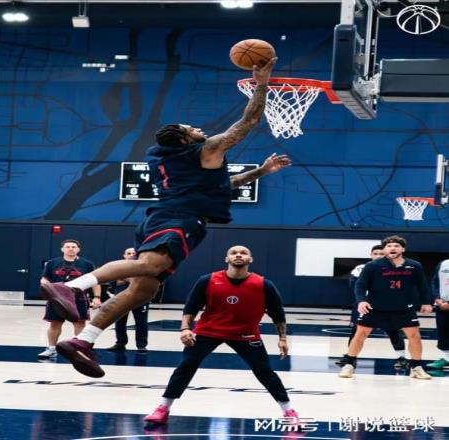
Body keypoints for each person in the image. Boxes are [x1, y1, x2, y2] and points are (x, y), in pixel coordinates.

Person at [39, 57, 292, 378]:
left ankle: (83, 341)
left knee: (143, 290)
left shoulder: (175, 159)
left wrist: (261, 171)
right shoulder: (207, 149)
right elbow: (249, 120)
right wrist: (262, 82)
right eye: (191, 128)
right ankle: (73, 287)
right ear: (184, 139)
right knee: (149, 266)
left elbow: (221, 186)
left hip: (166, 216)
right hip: (178, 218)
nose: (198, 129)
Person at [143, 245, 299, 425]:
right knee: (186, 366)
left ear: (250, 259)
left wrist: (283, 338)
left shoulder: (263, 284)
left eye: (243, 253)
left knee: (265, 372)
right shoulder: (207, 280)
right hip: (208, 331)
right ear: (227, 259)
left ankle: (289, 411)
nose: (238, 255)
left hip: (245, 334)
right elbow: (191, 307)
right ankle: (163, 409)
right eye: (234, 253)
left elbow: (278, 314)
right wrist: (185, 329)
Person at [338, 235, 433, 380]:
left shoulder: (414, 265)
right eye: (389, 246)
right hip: (375, 307)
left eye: (396, 246)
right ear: (385, 249)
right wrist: (361, 301)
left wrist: (426, 302)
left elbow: (422, 285)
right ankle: (349, 365)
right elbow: (360, 285)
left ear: (403, 249)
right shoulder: (372, 266)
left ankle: (416, 368)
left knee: (415, 336)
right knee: (360, 334)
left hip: (403, 307)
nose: (392, 248)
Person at [336, 244, 408, 369]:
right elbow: (355, 286)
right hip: (365, 304)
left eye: (381, 254)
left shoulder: (396, 268)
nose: (378, 256)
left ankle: (401, 358)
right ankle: (351, 357)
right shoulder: (361, 268)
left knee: (393, 330)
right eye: (375, 254)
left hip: (388, 305)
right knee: (356, 331)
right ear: (371, 255)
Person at [37, 240, 101, 359]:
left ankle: (80, 350)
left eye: (73, 247)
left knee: (80, 324)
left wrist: (97, 297)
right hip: (57, 298)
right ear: (62, 249)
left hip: (79, 298)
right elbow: (45, 279)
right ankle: (51, 349)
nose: (71, 249)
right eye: (68, 247)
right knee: (54, 323)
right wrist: (47, 288)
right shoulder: (52, 263)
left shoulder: (87, 264)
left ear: (78, 249)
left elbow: (95, 282)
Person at [105, 247, 150, 354]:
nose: (131, 255)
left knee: (141, 321)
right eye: (128, 253)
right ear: (124, 255)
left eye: (133, 253)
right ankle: (120, 343)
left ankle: (141, 345)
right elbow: (113, 282)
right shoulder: (118, 267)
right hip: (121, 297)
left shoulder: (145, 268)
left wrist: (124, 279)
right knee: (120, 321)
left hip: (140, 298)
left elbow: (146, 281)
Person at [427, 258, 449, 370]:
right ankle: (445, 358)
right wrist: (437, 299)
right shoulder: (444, 263)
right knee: (443, 332)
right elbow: (435, 282)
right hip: (442, 305)